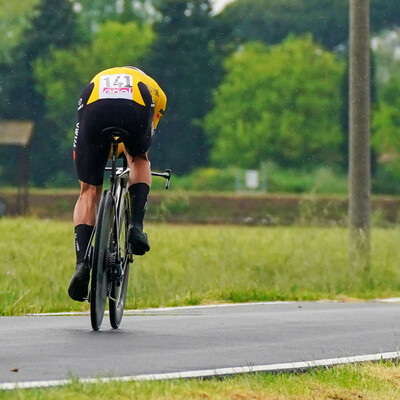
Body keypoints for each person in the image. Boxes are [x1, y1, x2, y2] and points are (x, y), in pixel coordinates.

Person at [68, 66, 167, 302]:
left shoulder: (98, 79)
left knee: (88, 190)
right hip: (136, 104)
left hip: (93, 105)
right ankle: (136, 227)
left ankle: (82, 263)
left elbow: (86, 135)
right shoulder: (156, 91)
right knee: (139, 159)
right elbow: (142, 143)